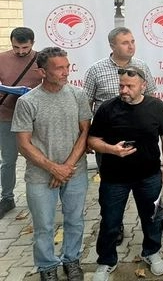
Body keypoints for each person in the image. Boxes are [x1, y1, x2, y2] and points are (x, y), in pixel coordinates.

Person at [83, 27, 163, 242]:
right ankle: (114, 224)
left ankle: (157, 217)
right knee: (112, 189)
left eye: (133, 41)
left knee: (150, 185)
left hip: (142, 142)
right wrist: (89, 138)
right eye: (125, 42)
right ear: (112, 46)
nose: (131, 46)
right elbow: (86, 106)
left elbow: (151, 99)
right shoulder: (96, 70)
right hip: (109, 143)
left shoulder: (141, 67)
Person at [12, 47, 91, 281]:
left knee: (74, 220)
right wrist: (53, 168)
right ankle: (47, 265)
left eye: (67, 66)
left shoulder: (78, 95)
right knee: (44, 225)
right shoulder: (27, 102)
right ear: (42, 72)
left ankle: (71, 260)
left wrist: (66, 167)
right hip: (40, 176)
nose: (66, 72)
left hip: (74, 171)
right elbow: (23, 144)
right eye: (59, 68)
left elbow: (85, 133)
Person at [87, 66, 163, 281]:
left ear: (143, 86)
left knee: (152, 217)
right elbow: (92, 140)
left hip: (149, 175)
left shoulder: (155, 106)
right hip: (114, 178)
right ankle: (107, 261)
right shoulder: (107, 108)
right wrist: (111, 149)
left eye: (129, 86)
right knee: (110, 221)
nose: (124, 90)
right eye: (121, 86)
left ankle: (151, 252)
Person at [0, 27, 42, 219]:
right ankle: (7, 198)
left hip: (35, 118)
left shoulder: (42, 59)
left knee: (38, 158)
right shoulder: (2, 59)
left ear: (32, 43)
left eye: (25, 48)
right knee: (8, 160)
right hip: (6, 116)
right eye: (16, 47)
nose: (20, 51)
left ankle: (40, 195)